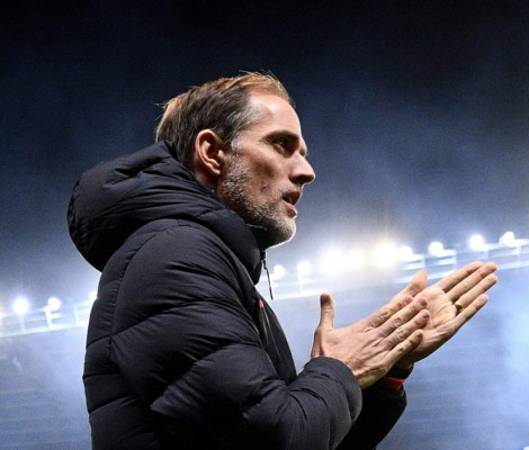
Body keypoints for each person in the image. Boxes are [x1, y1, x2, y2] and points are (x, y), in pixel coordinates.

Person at [68, 72, 497, 449]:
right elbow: (271, 439)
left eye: (302, 152)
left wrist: (387, 367)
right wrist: (340, 369)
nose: (306, 171)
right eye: (282, 145)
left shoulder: (205, 261)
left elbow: (298, 433)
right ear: (212, 153)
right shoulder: (174, 258)